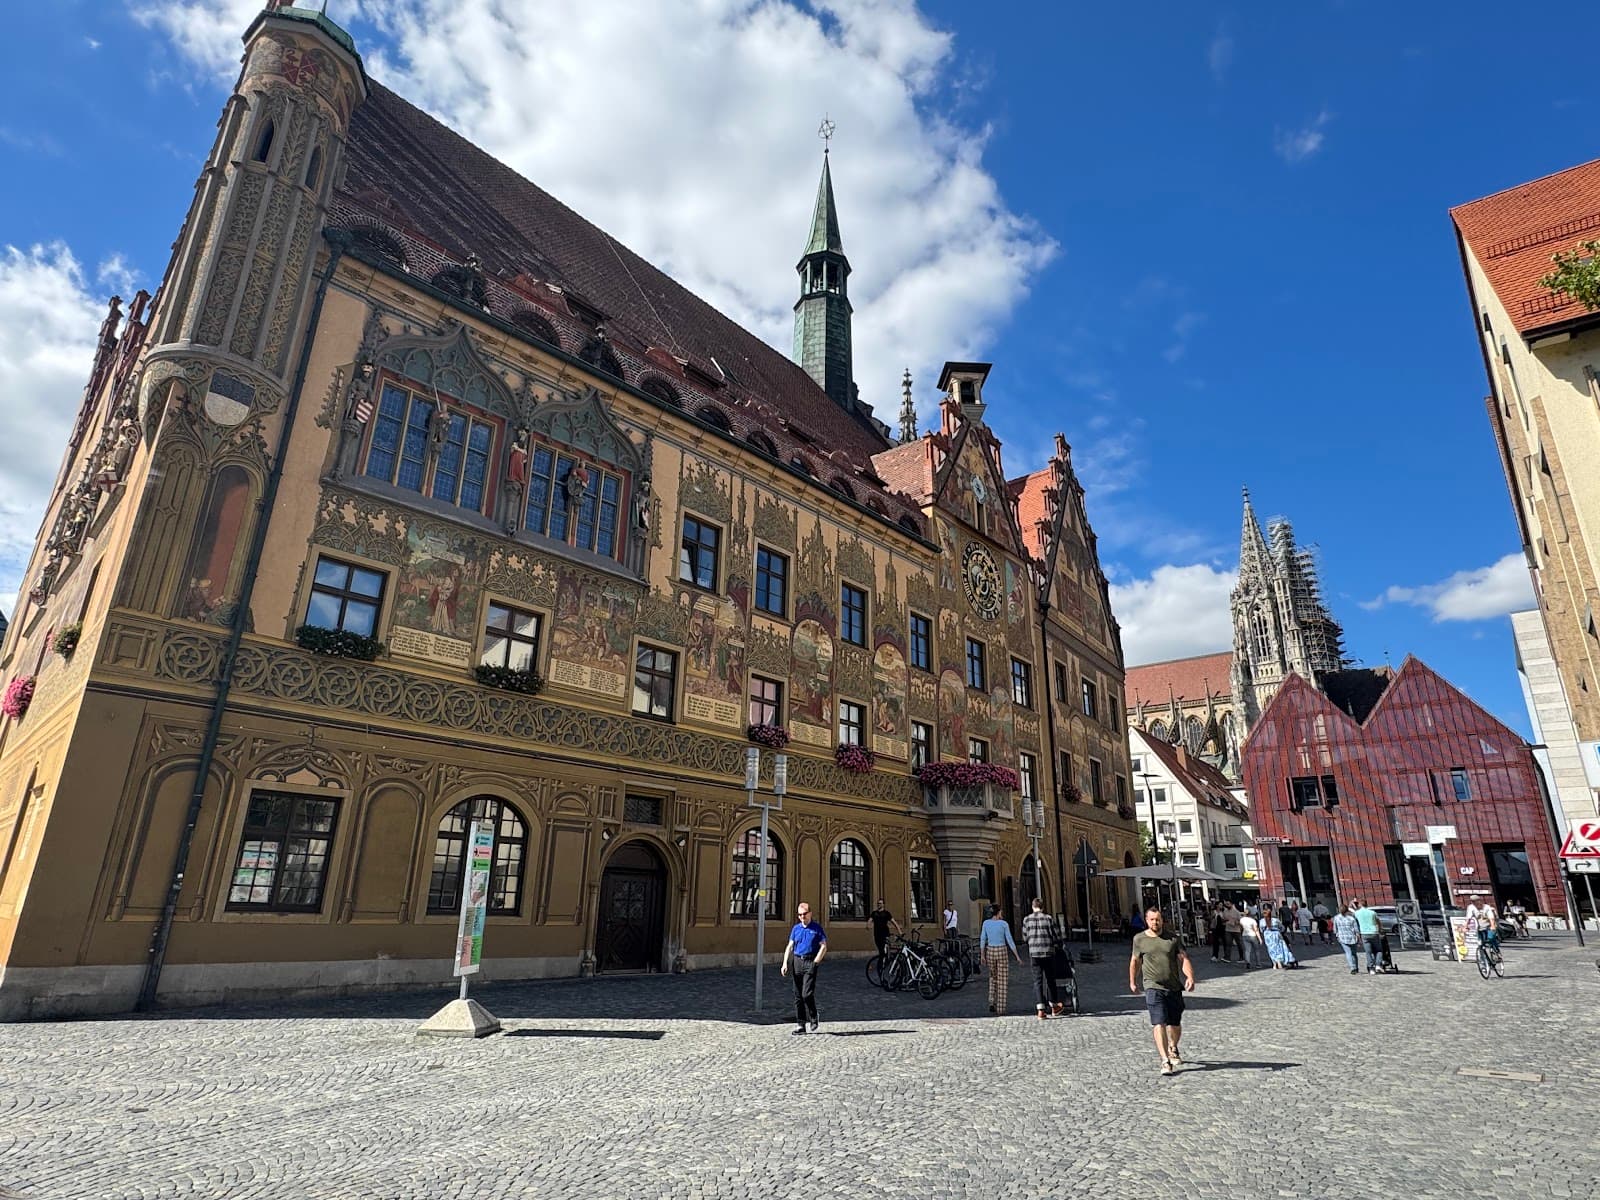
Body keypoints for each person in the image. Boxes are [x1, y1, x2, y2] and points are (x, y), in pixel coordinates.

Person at [1129, 906, 1196, 1076]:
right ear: (1147, 920)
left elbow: (1184, 958)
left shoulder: (1172, 938)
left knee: (1174, 1023)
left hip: (1173, 986)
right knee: (1159, 1022)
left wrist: (1189, 977)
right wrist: (1133, 981)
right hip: (1152, 986)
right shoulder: (1139, 939)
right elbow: (1135, 961)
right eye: (1152, 919)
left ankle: (1173, 1047)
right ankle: (1165, 1060)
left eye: (1158, 919)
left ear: (1162, 920)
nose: (1155, 922)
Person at [779, 902, 827, 1034]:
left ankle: (813, 1015)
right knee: (798, 995)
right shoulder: (796, 929)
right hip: (797, 961)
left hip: (810, 961)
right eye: (799, 915)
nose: (802, 917)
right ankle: (801, 1024)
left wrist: (816, 962)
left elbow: (823, 946)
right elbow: (790, 946)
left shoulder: (817, 928)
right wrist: (785, 963)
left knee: (807, 994)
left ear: (810, 913)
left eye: (804, 914)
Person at [1022, 897, 1065, 1019]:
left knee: (1038, 981)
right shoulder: (1048, 919)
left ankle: (1040, 1010)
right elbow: (1056, 935)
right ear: (1043, 907)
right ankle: (1054, 1006)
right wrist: (1058, 946)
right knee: (1050, 979)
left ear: (1032, 906)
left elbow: (1025, 937)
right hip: (1048, 952)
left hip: (1034, 954)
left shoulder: (1026, 919)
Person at [979, 903, 1021, 1014]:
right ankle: (1001, 1008)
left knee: (992, 977)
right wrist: (1017, 956)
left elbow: (983, 939)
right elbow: (1010, 940)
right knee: (1002, 980)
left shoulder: (986, 923)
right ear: (998, 913)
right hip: (1001, 950)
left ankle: (991, 1001)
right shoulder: (1004, 924)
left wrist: (982, 955)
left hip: (990, 951)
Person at [1352, 898, 1383, 974]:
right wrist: (1380, 930)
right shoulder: (1372, 912)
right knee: (1378, 950)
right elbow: (1378, 922)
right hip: (1374, 932)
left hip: (1364, 934)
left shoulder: (1357, 913)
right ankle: (1378, 965)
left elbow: (1354, 921)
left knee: (1368, 952)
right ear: (1367, 904)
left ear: (1360, 905)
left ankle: (1371, 968)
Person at [868, 899, 901, 964]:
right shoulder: (874, 913)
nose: (879, 905)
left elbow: (894, 922)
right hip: (877, 934)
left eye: (880, 903)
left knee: (883, 949)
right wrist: (868, 925)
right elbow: (870, 919)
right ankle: (883, 959)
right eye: (878, 903)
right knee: (880, 949)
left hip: (885, 934)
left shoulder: (886, 913)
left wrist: (899, 930)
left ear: (883, 904)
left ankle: (883, 961)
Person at [1332, 904, 1362, 973]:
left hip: (1343, 937)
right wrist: (1359, 938)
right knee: (1354, 953)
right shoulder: (1351, 918)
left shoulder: (1336, 918)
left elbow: (1335, 929)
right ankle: (1356, 967)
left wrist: (1337, 935)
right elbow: (1356, 929)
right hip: (1352, 937)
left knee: (1348, 953)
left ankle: (1352, 967)